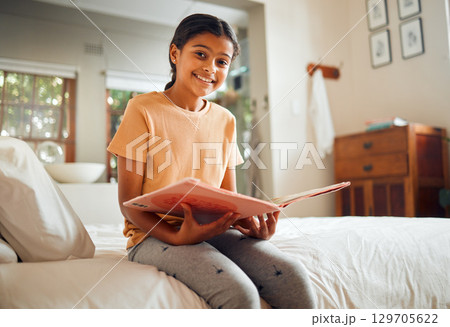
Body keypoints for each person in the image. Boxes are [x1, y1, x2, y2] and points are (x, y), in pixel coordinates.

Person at [107, 13, 316, 309]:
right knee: (239, 293)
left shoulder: (226, 120)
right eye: (201, 54)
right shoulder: (142, 110)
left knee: (293, 275)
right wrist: (179, 236)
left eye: (221, 61)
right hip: (153, 236)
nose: (210, 67)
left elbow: (226, 200)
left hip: (212, 230)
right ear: (175, 53)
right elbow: (129, 204)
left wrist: (251, 225)